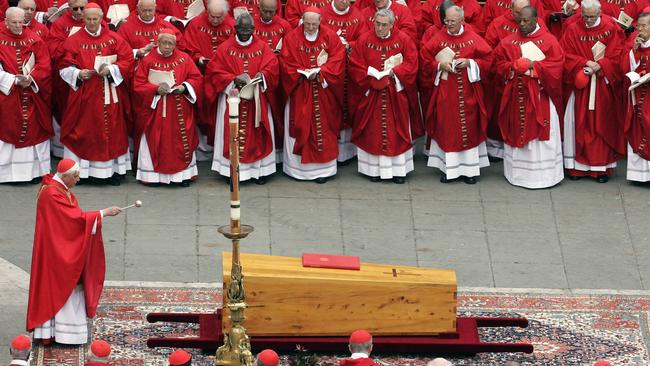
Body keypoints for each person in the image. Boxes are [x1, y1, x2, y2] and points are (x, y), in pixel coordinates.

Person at [27, 159, 122, 345]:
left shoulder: (58, 188)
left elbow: (70, 219)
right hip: (56, 251)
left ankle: (61, 333)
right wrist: (103, 213)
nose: (78, 180)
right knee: (64, 284)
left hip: (57, 245)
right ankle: (64, 335)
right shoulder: (52, 193)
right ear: (65, 176)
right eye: (76, 176)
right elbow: (72, 221)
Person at [58, 2, 134, 185]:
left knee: (112, 131)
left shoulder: (114, 38)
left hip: (110, 92)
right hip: (85, 95)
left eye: (95, 19)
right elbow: (63, 65)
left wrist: (113, 69)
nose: (92, 23)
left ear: (101, 18)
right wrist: (78, 73)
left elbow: (128, 60)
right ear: (83, 19)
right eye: (88, 19)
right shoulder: (73, 40)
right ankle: (82, 173)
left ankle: (113, 171)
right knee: (85, 131)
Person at [494, 6, 565, 189]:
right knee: (517, 131)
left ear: (536, 20)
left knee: (540, 136)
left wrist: (534, 66)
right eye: (520, 21)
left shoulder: (549, 41)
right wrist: (512, 66)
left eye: (526, 21)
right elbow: (497, 65)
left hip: (540, 97)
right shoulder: (509, 42)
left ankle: (544, 177)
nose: (522, 25)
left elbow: (557, 67)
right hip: (516, 96)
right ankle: (518, 176)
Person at [420, 5, 492, 184]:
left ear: (462, 20)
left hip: (469, 92)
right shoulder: (438, 38)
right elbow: (424, 59)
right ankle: (448, 170)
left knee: (469, 127)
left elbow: (489, 60)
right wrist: (439, 66)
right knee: (447, 127)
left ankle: (470, 171)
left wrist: (470, 63)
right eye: (446, 20)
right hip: (446, 93)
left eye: (452, 21)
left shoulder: (472, 37)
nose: (448, 24)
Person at [205, 13, 279, 184]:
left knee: (257, 135)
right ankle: (231, 172)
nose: (245, 33)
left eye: (248, 30)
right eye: (241, 29)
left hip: (256, 99)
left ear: (253, 29)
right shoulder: (225, 48)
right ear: (235, 29)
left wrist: (263, 75)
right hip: (232, 99)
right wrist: (232, 79)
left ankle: (258, 172)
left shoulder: (262, 46)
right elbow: (214, 71)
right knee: (231, 134)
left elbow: (272, 66)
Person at [349, 8, 418, 184]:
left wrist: (394, 73)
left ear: (392, 24)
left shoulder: (403, 39)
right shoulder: (364, 39)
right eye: (377, 24)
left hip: (395, 92)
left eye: (384, 25)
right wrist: (371, 77)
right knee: (373, 131)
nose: (379, 28)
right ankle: (374, 170)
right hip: (371, 93)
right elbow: (355, 65)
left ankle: (398, 171)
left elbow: (412, 63)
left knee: (397, 130)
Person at [561, 0, 625, 183]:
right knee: (578, 124)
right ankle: (577, 169)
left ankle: (599, 169)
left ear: (600, 13)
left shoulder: (611, 27)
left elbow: (618, 53)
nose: (588, 20)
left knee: (600, 124)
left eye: (591, 17)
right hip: (581, 85)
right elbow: (564, 53)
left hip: (602, 85)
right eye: (585, 16)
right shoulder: (573, 28)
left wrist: (601, 65)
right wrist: (585, 63)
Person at [279, 7, 345, 183]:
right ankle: (297, 170)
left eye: (313, 24)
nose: (309, 27)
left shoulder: (330, 36)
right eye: (307, 23)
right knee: (299, 126)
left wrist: (322, 71)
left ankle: (323, 170)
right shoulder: (292, 37)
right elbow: (285, 63)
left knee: (323, 128)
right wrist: (299, 73)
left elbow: (338, 58)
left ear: (320, 21)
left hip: (323, 91)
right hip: (299, 91)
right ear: (302, 20)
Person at [133, 29, 202, 186]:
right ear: (157, 43)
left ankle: (182, 176)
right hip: (156, 110)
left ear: (175, 44)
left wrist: (185, 87)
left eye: (170, 43)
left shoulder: (184, 59)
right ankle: (153, 177)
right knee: (156, 140)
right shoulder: (148, 60)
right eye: (163, 42)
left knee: (179, 142)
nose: (166, 46)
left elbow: (196, 78)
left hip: (179, 108)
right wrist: (155, 89)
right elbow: (138, 84)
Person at [0, 7, 53, 184]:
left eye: (20, 22)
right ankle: (6, 175)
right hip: (6, 93)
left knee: (34, 128)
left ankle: (32, 173)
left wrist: (32, 78)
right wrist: (13, 80)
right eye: (13, 22)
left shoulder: (34, 38)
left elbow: (44, 63)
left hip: (31, 93)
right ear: (6, 21)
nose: (17, 26)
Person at [184, 0, 234, 159]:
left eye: (219, 17)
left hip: (220, 77)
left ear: (225, 15)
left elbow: (233, 50)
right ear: (207, 11)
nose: (215, 20)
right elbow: (188, 47)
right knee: (200, 109)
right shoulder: (196, 24)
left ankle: (216, 148)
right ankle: (201, 150)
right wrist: (198, 58)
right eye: (212, 16)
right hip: (200, 74)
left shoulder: (231, 25)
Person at [321, 0, 368, 164]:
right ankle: (332, 149)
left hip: (350, 67)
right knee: (333, 105)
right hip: (330, 68)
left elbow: (363, 39)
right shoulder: (324, 13)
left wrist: (349, 45)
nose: (345, 2)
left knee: (349, 104)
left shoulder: (358, 16)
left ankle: (347, 152)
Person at [484, 0, 532, 160]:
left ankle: (521, 147)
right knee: (500, 111)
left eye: (525, 13)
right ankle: (496, 149)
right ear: (511, 10)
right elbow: (488, 49)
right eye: (518, 13)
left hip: (528, 78)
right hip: (503, 78)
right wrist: (506, 65)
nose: (521, 18)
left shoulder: (532, 23)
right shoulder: (498, 24)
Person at [45, 0, 88, 159]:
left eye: (82, 8)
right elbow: (52, 49)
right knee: (66, 110)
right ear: (68, 8)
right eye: (75, 8)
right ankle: (62, 151)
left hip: (88, 76)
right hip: (66, 76)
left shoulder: (93, 20)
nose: (79, 12)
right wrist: (72, 42)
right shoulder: (60, 24)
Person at [254, 0, 291, 161]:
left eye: (272, 12)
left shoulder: (284, 25)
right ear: (259, 8)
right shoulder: (251, 24)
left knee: (279, 112)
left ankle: (280, 154)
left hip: (279, 76)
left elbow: (291, 49)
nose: (268, 15)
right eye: (265, 11)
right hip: (260, 78)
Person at [622, 10, 650, 183]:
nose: (640, 29)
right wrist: (633, 52)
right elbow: (627, 67)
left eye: (644, 26)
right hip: (639, 94)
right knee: (638, 127)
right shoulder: (633, 44)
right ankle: (639, 175)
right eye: (638, 26)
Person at [117, 0, 185, 60]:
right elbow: (120, 50)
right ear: (137, 8)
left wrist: (167, 51)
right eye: (144, 10)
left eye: (150, 10)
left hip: (164, 63)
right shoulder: (126, 28)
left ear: (155, 8)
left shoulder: (165, 25)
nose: (147, 14)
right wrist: (137, 52)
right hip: (138, 64)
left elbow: (181, 45)